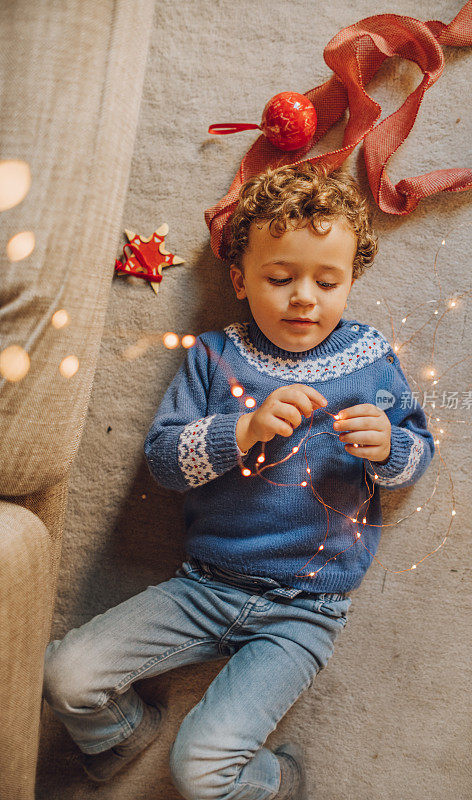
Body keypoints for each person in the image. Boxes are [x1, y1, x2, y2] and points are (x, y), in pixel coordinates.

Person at [42, 161, 435, 799]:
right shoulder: (215, 356)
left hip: (304, 610)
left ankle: (274, 782)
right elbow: (165, 460)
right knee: (66, 675)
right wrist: (242, 430)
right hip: (203, 587)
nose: (304, 296)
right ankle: (124, 734)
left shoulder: (369, 359)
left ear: (350, 283)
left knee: (199, 772)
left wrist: (391, 449)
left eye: (328, 281)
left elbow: (419, 454)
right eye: (280, 277)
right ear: (240, 279)